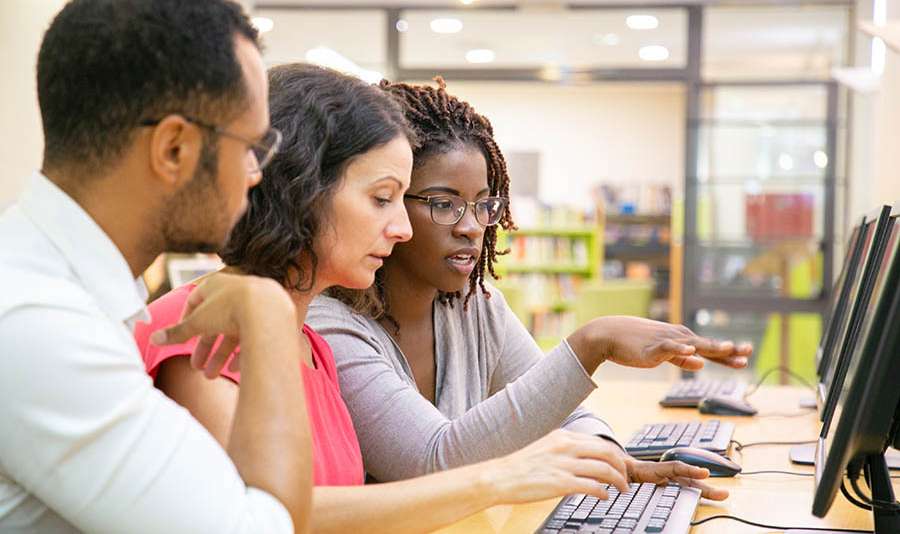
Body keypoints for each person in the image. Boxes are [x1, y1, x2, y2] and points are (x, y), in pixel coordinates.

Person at [134, 63, 726, 534]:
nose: (401, 229)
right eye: (384, 198)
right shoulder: (209, 330)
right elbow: (277, 518)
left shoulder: (303, 338)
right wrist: (503, 477)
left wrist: (583, 462)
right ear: (303, 191)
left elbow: (333, 506)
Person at [310, 78, 752, 484]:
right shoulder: (328, 324)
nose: (471, 227)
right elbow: (431, 460)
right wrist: (590, 345)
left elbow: (566, 415)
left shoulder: (475, 307)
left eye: (484, 204)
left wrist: (611, 459)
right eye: (444, 204)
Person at [0, 1, 314, 532]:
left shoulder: (56, 284)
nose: (255, 175)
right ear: (173, 149)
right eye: (251, 148)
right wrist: (268, 315)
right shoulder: (39, 321)